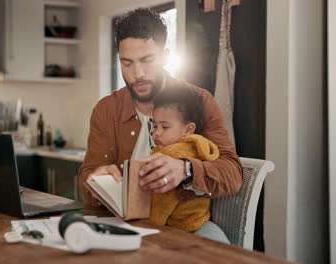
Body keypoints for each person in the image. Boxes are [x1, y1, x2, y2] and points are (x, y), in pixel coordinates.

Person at [78, 7, 242, 243]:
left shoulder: (200, 101)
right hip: (122, 224)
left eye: (148, 61)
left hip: (187, 227)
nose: (138, 74)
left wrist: (185, 170)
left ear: (165, 56)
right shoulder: (106, 110)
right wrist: (95, 180)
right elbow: (86, 175)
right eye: (127, 63)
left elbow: (232, 173)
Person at [148, 86, 219, 233]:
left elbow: (163, 200)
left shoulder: (173, 154)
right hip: (199, 219)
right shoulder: (177, 148)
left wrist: (151, 226)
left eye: (165, 127)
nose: (156, 133)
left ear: (188, 130)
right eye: (154, 126)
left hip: (179, 226)